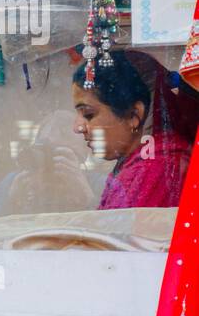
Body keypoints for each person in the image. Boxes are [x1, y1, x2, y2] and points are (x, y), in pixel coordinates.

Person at [72, 50, 195, 209]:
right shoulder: (147, 163)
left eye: (88, 114)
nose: (77, 127)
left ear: (134, 115)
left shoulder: (156, 169)